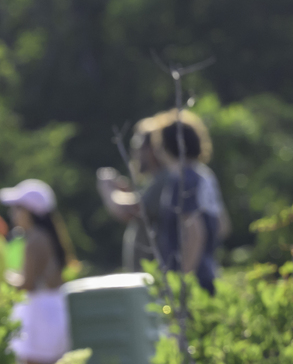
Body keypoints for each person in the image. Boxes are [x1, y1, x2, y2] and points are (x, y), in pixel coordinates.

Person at [97, 109, 227, 293]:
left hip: (188, 285)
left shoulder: (181, 178)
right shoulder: (203, 175)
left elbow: (195, 231)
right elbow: (223, 226)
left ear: (164, 145)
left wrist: (181, 281)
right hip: (207, 275)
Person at [0, 179, 71, 364]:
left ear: (30, 211)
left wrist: (2, 277)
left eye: (17, 208)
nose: (13, 214)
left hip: (39, 315)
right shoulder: (46, 236)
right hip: (53, 310)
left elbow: (26, 285)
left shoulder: (34, 241)